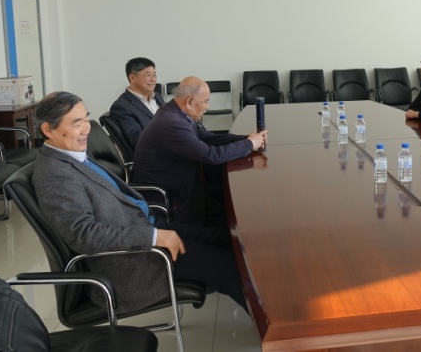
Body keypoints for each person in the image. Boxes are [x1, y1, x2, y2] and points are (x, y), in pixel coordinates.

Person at [31, 91, 247, 314]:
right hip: (134, 260)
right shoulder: (54, 174)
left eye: (86, 119)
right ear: (48, 129)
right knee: (228, 265)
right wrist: (152, 237)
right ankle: (270, 328)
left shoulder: (72, 154)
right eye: (77, 123)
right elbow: (84, 235)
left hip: (147, 228)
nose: (86, 129)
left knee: (233, 241)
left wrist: (154, 231)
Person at [133, 76, 267, 227]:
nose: (207, 107)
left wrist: (247, 139)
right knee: (233, 220)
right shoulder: (172, 123)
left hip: (187, 186)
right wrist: (249, 144)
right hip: (176, 200)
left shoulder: (176, 112)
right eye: (206, 101)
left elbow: (208, 138)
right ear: (190, 102)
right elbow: (211, 155)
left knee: (235, 205)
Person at [109, 57, 165, 152]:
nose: (153, 79)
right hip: (154, 154)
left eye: (154, 75)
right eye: (148, 75)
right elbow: (137, 139)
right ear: (132, 78)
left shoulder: (157, 96)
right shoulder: (122, 107)